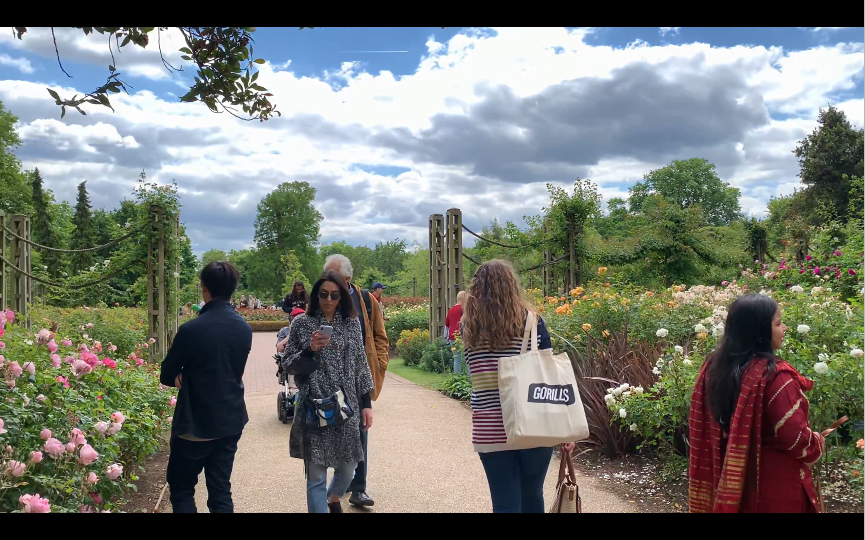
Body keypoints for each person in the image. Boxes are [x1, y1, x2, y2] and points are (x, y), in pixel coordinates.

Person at [688, 294, 828, 513]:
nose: (785, 328)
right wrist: (817, 443)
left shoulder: (714, 368)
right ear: (760, 331)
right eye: (779, 323)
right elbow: (795, 437)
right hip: (772, 486)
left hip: (730, 477)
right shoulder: (775, 376)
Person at [461, 260, 575, 513]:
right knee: (532, 495)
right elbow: (549, 378)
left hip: (489, 427)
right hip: (533, 424)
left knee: (504, 502)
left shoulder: (468, 328)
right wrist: (565, 430)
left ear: (476, 288)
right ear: (512, 286)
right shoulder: (532, 324)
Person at [160, 261, 253, 513]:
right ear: (233, 289)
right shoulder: (244, 328)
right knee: (221, 491)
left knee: (181, 489)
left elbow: (167, 373)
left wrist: (180, 373)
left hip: (194, 423)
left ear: (204, 289)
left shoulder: (191, 329)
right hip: (230, 420)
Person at [282, 271, 375, 513]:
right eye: (323, 294)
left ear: (342, 297)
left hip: (346, 405)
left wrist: (367, 404)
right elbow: (288, 363)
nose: (329, 300)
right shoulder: (302, 324)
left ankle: (334, 497)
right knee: (315, 477)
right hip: (314, 404)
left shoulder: (351, 323)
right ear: (316, 295)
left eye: (334, 295)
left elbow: (360, 363)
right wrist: (310, 350)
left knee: (349, 467)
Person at [323, 254, 389, 508]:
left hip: (357, 376)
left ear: (348, 279)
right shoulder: (321, 298)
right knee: (329, 432)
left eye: (334, 277)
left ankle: (357, 489)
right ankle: (335, 487)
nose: (328, 282)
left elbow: (380, 335)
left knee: (360, 430)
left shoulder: (365, 300)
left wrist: (379, 364)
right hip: (327, 377)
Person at [445, 290, 466, 374]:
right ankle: (467, 379)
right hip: (462, 336)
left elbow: (447, 324)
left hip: (452, 337)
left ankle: (457, 378)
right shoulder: (463, 309)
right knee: (466, 359)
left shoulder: (450, 310)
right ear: (462, 298)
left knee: (456, 359)